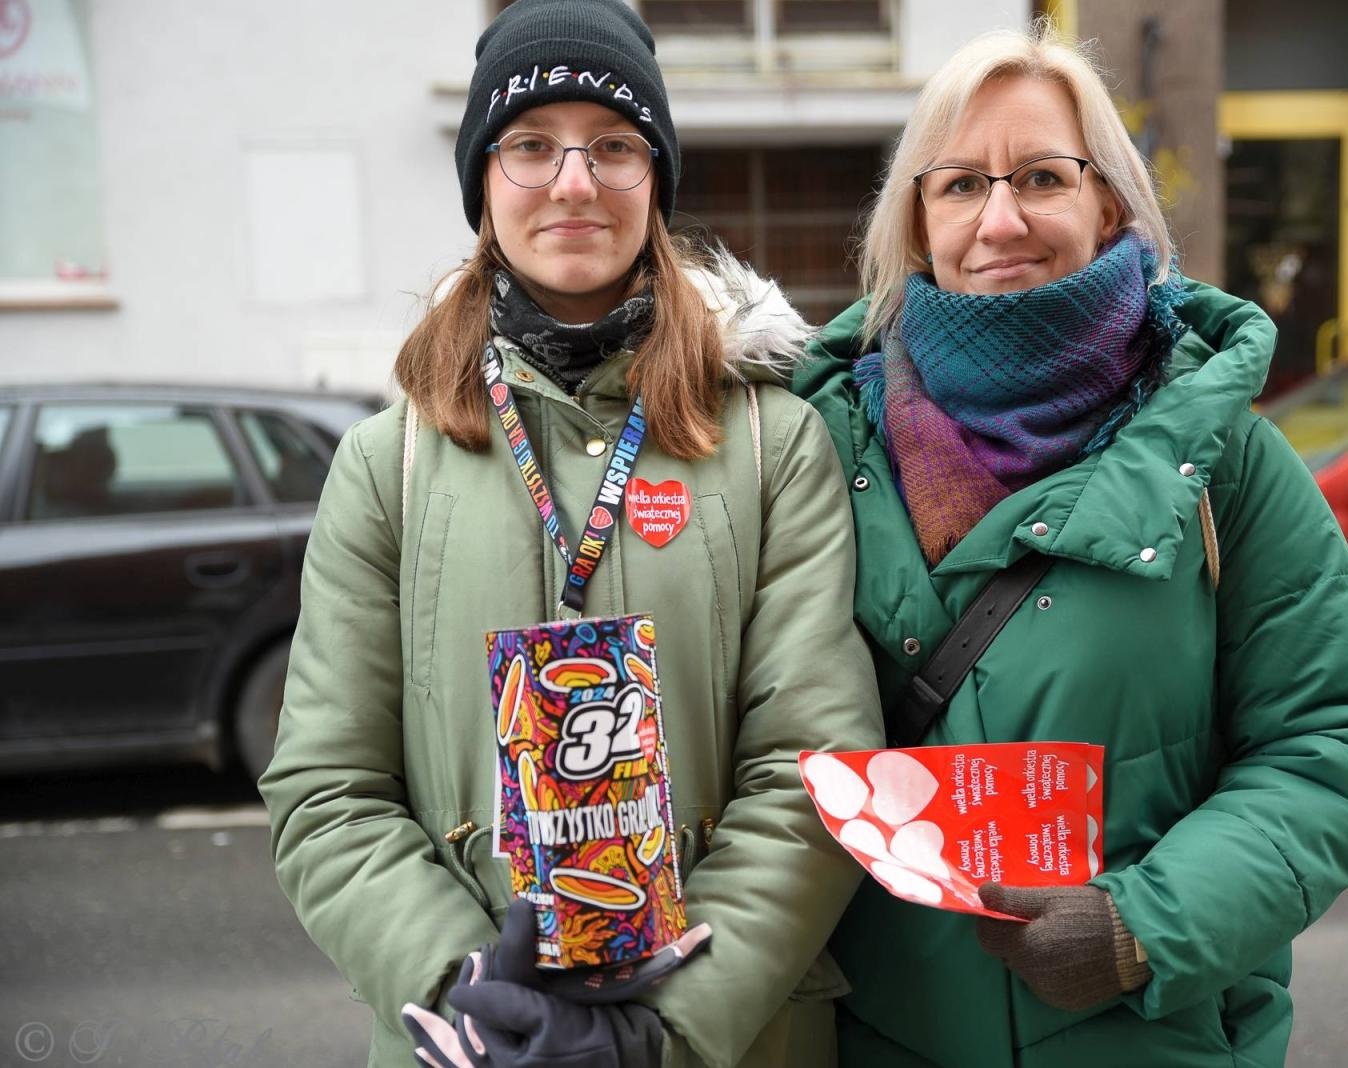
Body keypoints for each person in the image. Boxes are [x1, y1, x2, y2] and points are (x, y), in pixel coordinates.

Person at [258, 2, 883, 1066]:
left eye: (614, 146)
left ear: (658, 179)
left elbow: (814, 768)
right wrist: (467, 991)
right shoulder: (387, 466)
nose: (574, 181)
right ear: (482, 182)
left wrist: (668, 1025)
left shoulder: (776, 444)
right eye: (531, 144)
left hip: (739, 1035)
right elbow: (328, 790)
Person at [792, 24, 1348, 1068]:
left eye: (1040, 176)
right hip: (878, 1043)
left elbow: (1330, 747)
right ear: (916, 219)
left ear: (1107, 203)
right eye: (958, 186)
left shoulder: (1226, 462)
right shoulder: (810, 448)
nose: (999, 219)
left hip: (1149, 1038)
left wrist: (1142, 929)